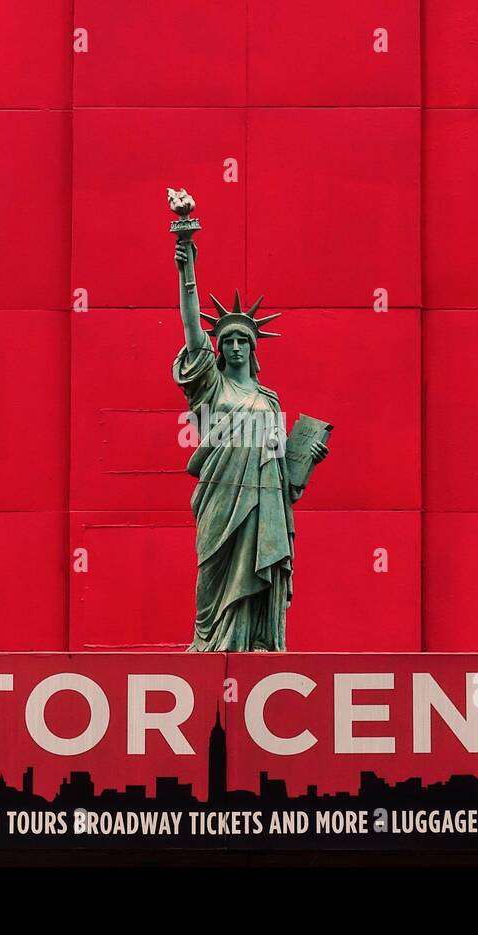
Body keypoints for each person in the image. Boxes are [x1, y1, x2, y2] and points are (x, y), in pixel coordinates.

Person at [173, 239, 327, 652]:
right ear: (219, 350)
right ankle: (209, 642)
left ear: (253, 347)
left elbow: (281, 468)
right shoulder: (211, 384)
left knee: (260, 563)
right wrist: (187, 264)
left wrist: (305, 460)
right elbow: (191, 326)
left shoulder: (269, 398)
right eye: (228, 342)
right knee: (212, 571)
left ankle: (255, 638)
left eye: (243, 341)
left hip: (264, 499)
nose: (236, 347)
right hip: (219, 492)